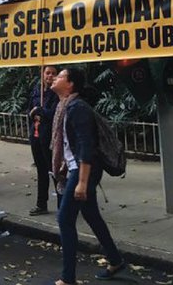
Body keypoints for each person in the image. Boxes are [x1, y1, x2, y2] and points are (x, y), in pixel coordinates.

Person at [50, 67, 127, 284]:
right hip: (76, 169)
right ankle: (115, 259)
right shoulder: (64, 106)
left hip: (83, 170)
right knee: (91, 215)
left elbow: (86, 147)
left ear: (71, 83)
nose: (54, 78)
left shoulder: (77, 108)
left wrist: (82, 182)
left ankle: (68, 278)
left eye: (60, 76)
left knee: (65, 219)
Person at [28, 65, 60, 217]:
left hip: (49, 137)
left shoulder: (57, 93)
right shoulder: (37, 90)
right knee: (41, 171)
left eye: (53, 73)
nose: (50, 76)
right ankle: (41, 204)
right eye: (47, 73)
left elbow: (54, 114)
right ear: (42, 74)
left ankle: (63, 204)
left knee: (54, 171)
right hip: (35, 136)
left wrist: (41, 111)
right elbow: (30, 110)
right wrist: (33, 114)